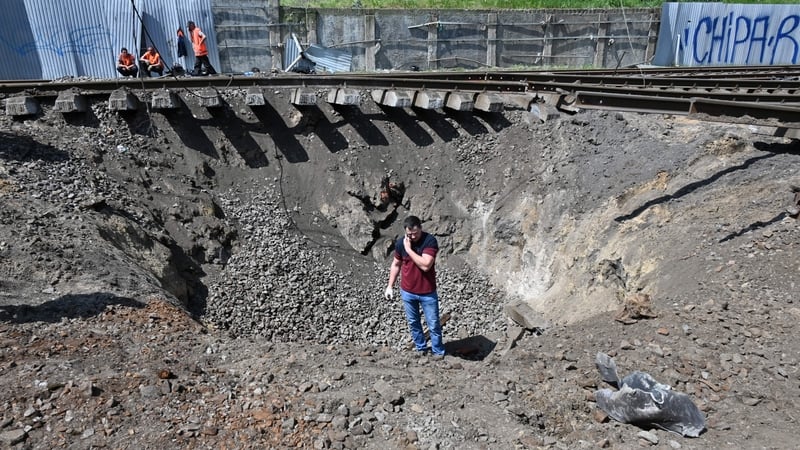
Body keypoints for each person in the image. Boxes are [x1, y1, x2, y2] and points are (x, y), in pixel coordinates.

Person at [385, 216, 445, 357]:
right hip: (408, 291)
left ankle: (438, 352)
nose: (412, 236)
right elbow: (396, 264)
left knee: (434, 323)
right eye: (409, 234)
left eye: (415, 233)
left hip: (427, 292)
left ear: (420, 228)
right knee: (413, 322)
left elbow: (425, 265)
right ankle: (421, 349)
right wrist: (390, 286)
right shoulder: (401, 243)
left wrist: (409, 250)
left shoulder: (429, 241)